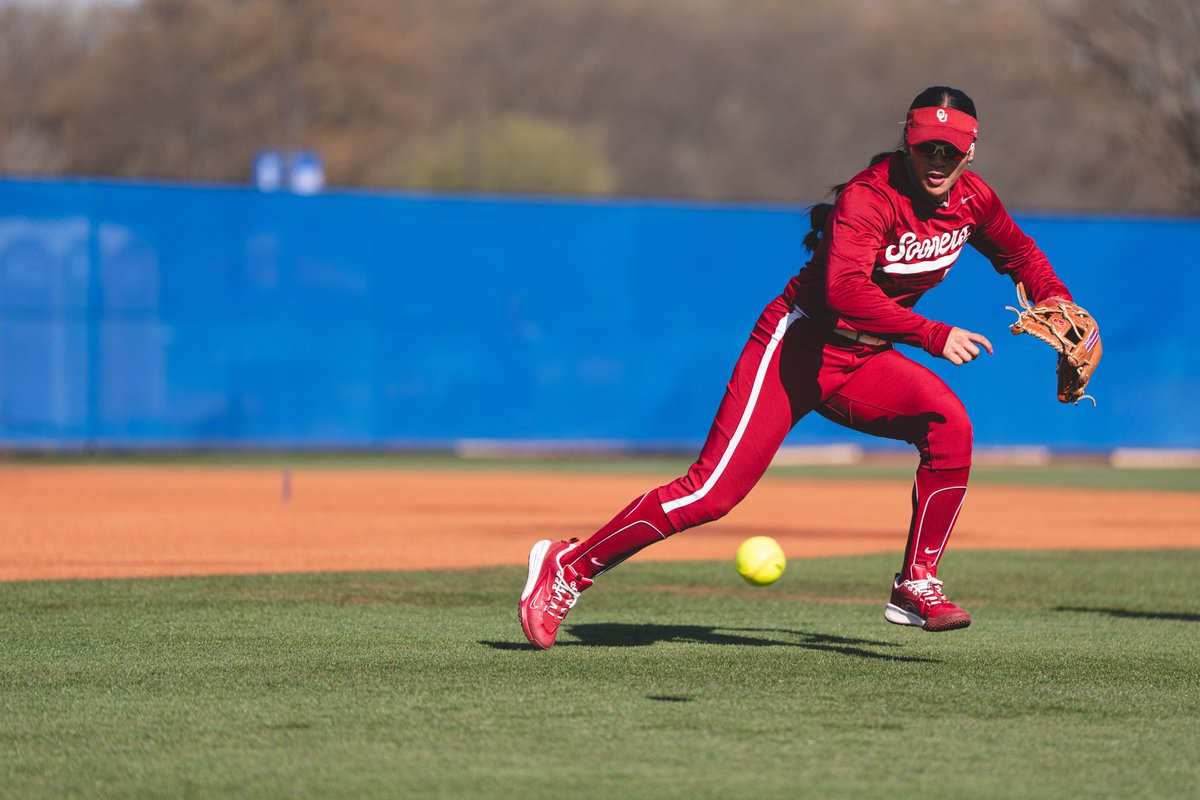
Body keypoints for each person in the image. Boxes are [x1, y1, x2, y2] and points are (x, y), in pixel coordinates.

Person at [519, 86, 1078, 649]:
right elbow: (843, 291)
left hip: (864, 358)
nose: (937, 161)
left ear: (971, 151)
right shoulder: (871, 197)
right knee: (709, 494)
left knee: (949, 426)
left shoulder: (974, 201)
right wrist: (932, 334)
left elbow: (1021, 256)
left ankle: (917, 582)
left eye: (950, 151)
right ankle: (568, 566)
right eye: (927, 148)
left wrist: (1059, 302)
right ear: (908, 143)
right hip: (797, 347)